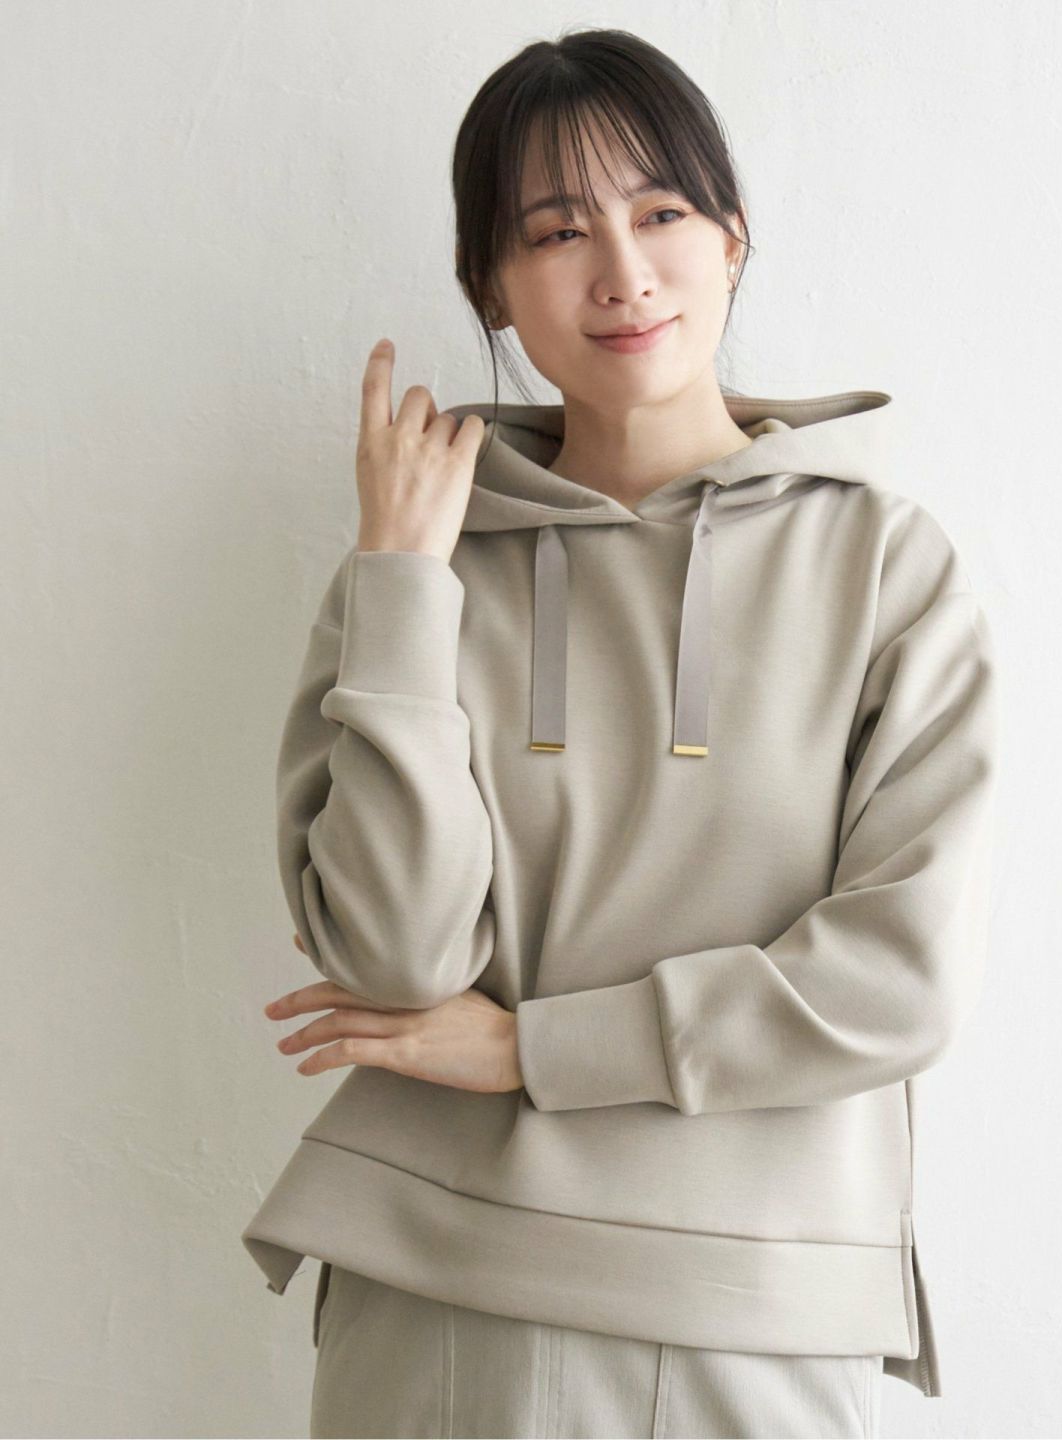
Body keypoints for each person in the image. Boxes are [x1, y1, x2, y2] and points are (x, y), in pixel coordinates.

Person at [241, 25, 1000, 1440]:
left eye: (660, 213)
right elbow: (393, 960)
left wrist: (535, 1050)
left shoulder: (886, 567)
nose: (623, 271)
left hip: (753, 1311)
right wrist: (401, 579)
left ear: (733, 235)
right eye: (554, 231)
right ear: (489, 282)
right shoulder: (415, 567)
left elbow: (898, 983)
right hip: (436, 1293)